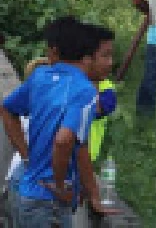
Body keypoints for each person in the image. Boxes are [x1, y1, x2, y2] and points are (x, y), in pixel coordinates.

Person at [1, 21, 117, 227]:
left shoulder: (40, 76)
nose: (110, 63)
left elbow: (7, 109)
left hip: (24, 191)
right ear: (88, 56)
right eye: (105, 55)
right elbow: (64, 141)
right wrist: (60, 184)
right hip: (48, 203)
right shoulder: (84, 91)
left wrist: (28, 157)